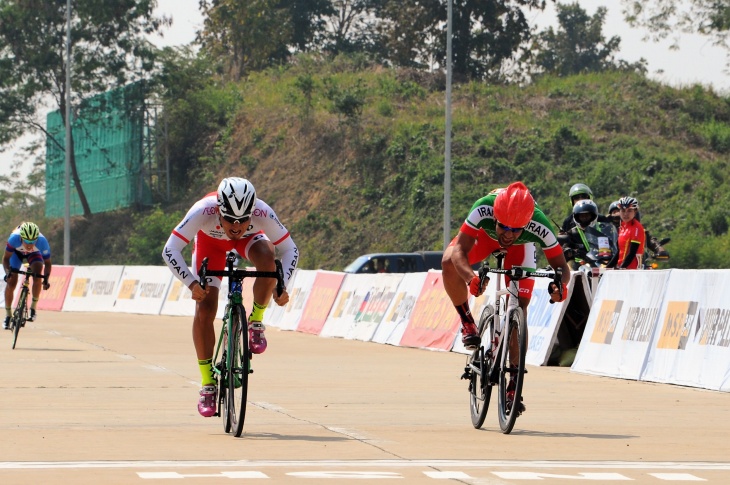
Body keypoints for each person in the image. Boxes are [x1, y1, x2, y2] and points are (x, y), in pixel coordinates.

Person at [162, 177, 299, 418]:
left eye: (243, 220)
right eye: (230, 220)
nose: (236, 227)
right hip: (210, 244)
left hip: (252, 240)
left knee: (268, 262)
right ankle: (207, 384)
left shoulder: (261, 212)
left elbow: (290, 250)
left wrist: (281, 284)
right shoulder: (203, 210)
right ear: (219, 212)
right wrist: (192, 283)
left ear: (251, 213)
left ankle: (256, 321)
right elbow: (170, 249)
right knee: (205, 309)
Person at [442, 181, 571, 412]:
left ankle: (514, 383)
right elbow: (460, 250)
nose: (508, 234)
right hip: (484, 238)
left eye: (515, 230)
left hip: (522, 250)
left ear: (527, 223)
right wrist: (471, 278)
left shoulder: (539, 224)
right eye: (503, 227)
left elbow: (561, 267)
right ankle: (468, 322)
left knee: (520, 307)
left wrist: (560, 287)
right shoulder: (483, 207)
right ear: (496, 217)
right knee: (448, 261)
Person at [3, 222, 52, 329]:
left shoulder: (42, 241)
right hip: (16, 254)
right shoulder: (14, 238)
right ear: (21, 238)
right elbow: (6, 259)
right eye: (27, 241)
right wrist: (8, 273)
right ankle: (8, 315)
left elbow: (47, 263)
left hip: (34, 255)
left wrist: (46, 280)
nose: (29, 245)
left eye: (33, 241)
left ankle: (33, 308)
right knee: (11, 283)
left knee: (38, 274)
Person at [559, 199, 617, 270]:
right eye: (581, 216)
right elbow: (564, 246)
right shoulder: (572, 232)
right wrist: (568, 250)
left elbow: (613, 242)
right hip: (580, 265)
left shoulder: (604, 228)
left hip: (602, 262)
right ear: (576, 217)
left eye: (587, 216)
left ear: (594, 215)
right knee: (570, 265)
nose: (584, 219)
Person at [607, 196, 646, 269]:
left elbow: (632, 253)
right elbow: (619, 252)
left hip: (633, 270)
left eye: (629, 211)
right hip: (622, 268)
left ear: (635, 211)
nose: (625, 214)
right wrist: (607, 268)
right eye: (623, 210)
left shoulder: (637, 227)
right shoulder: (622, 227)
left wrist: (622, 268)